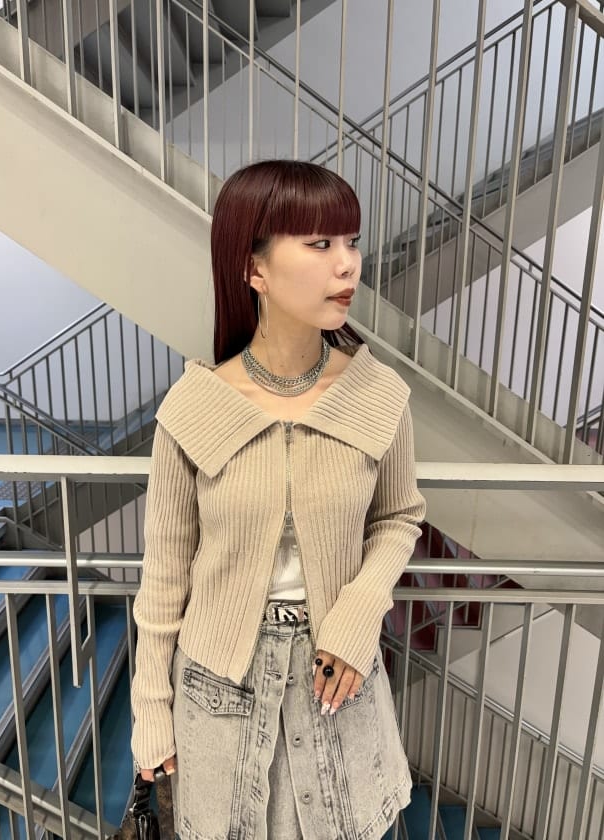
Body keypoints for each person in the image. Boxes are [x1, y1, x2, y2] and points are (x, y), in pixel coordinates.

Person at [130, 159, 427, 840]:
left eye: (350, 241)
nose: (347, 265)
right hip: (217, 691)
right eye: (319, 244)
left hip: (337, 679)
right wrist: (150, 710)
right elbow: (165, 574)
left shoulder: (378, 395)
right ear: (253, 267)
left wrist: (359, 612)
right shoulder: (195, 408)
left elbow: (398, 516)